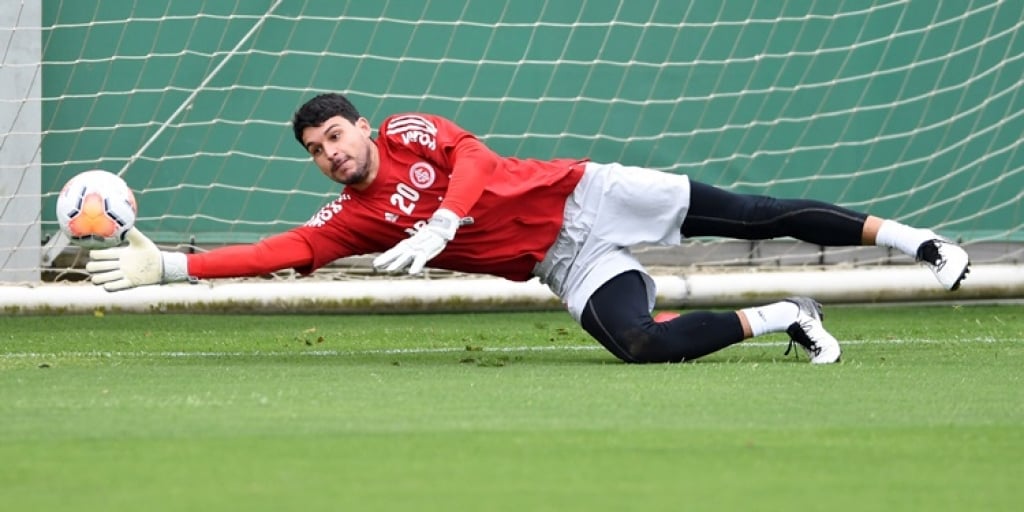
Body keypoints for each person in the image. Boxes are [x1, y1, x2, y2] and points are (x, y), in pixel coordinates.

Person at [85, 93, 971, 365]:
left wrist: (442, 224)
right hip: (564, 258)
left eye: (334, 138)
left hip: (588, 196)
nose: (331, 155)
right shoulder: (351, 217)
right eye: (316, 151)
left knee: (754, 214)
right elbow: (284, 252)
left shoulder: (406, 130)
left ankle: (918, 242)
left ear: (358, 126)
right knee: (639, 347)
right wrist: (172, 267)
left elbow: (474, 160)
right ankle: (788, 316)